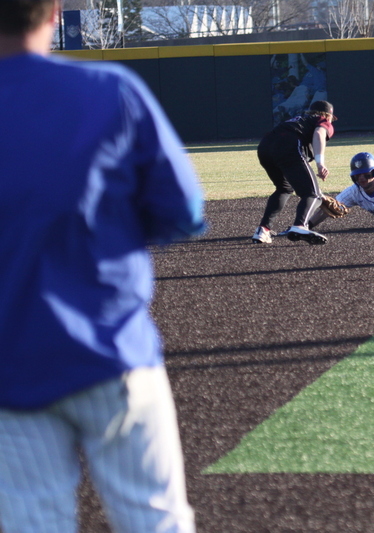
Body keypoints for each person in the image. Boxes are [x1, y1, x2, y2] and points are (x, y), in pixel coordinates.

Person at [0, 0, 206, 531]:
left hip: (11, 370)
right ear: (53, 13)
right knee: (154, 520)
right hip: (114, 353)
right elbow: (184, 213)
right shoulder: (109, 89)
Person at [252, 100, 336, 245]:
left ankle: (263, 230)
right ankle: (300, 226)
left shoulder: (298, 120)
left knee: (284, 188)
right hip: (288, 146)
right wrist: (320, 163)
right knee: (312, 194)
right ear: (329, 115)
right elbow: (318, 134)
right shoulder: (323, 120)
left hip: (265, 147)